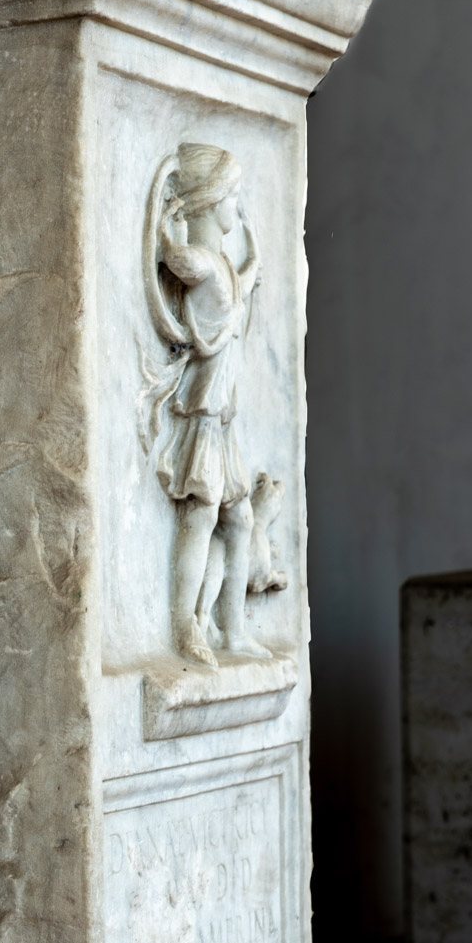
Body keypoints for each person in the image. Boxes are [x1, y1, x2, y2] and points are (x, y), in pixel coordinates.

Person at [149, 143, 270, 669]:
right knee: (201, 515)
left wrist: (255, 252)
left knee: (239, 519)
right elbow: (179, 262)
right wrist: (164, 228)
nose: (236, 208)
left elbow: (241, 281)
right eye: (232, 197)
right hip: (202, 414)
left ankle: (234, 631)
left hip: (223, 418)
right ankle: (185, 628)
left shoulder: (222, 266)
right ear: (213, 200)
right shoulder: (202, 261)